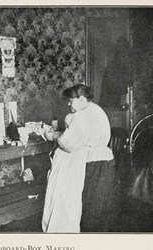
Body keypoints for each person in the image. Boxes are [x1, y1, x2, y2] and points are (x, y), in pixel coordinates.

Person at [41, 84, 117, 233]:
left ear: (81, 99)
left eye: (70, 100)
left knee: (86, 206)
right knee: (97, 207)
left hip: (92, 164)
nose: (68, 104)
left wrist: (53, 136)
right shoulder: (96, 110)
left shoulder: (82, 115)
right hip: (105, 161)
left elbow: (68, 144)